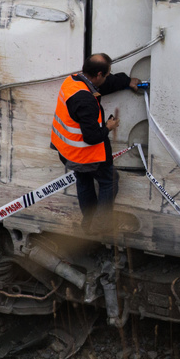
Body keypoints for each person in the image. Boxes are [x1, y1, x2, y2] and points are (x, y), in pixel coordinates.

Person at [51, 53, 139, 233]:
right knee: (110, 181)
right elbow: (91, 137)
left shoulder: (72, 81)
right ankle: (100, 225)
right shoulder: (86, 101)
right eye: (106, 75)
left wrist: (126, 81)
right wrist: (109, 127)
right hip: (85, 155)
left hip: (67, 150)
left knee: (84, 180)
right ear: (98, 74)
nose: (107, 78)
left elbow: (101, 87)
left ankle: (88, 222)